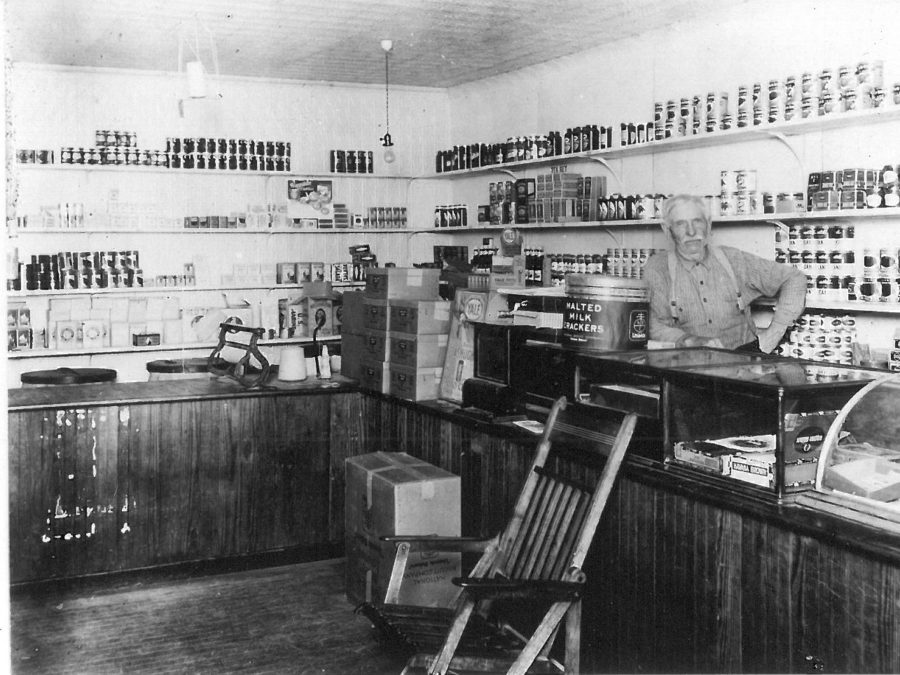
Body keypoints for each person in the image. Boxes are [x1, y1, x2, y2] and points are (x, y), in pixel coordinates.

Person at [643, 194, 806, 352]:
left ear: (708, 224)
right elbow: (654, 325)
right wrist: (689, 340)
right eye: (680, 224)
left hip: (743, 360)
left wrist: (775, 332)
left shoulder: (733, 259)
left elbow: (794, 278)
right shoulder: (657, 268)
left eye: (697, 221)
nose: (691, 232)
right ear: (667, 230)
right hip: (689, 362)